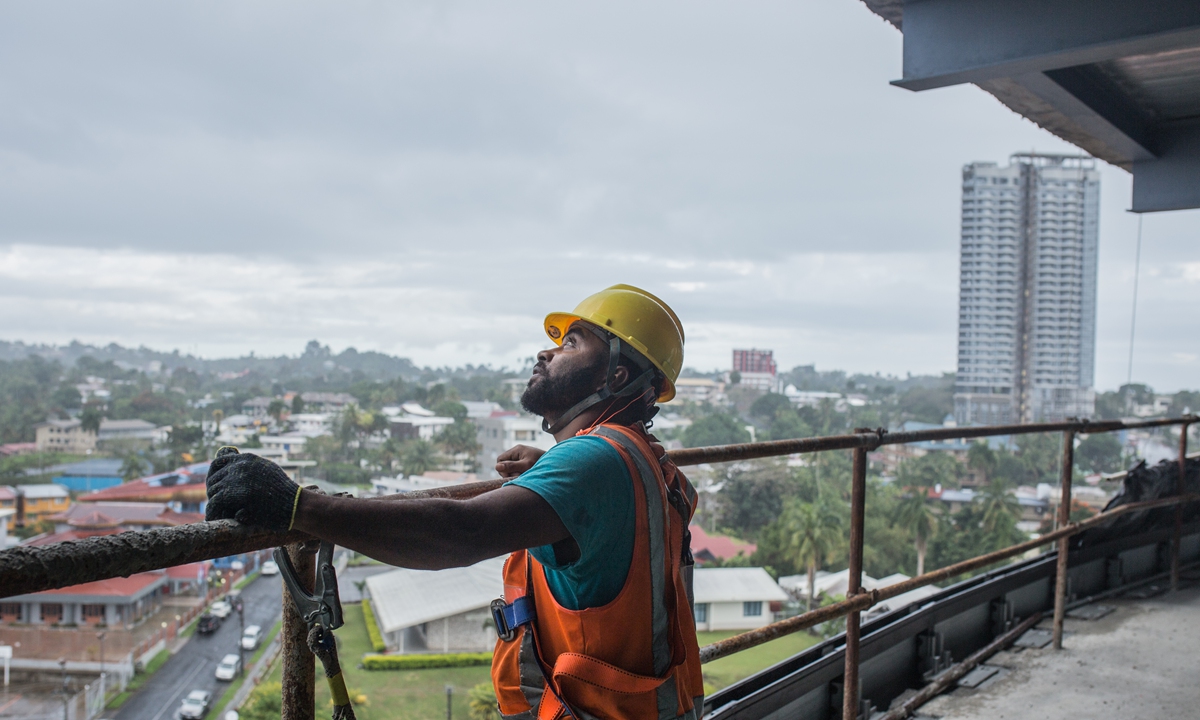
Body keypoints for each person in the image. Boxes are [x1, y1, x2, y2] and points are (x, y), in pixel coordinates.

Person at [205, 284, 703, 720]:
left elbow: (459, 531)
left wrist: (301, 508)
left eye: (571, 343)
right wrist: (549, 472)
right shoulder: (648, 462)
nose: (546, 353)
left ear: (614, 378)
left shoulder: (594, 464)